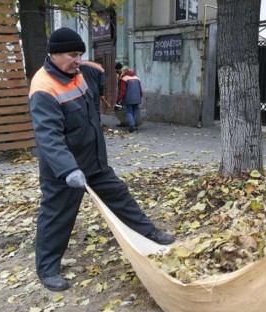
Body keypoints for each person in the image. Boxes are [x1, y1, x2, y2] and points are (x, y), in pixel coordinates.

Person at [28, 27, 175, 292]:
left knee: (120, 195)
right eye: (73, 55)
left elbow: (91, 99)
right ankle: (47, 269)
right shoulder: (43, 87)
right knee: (57, 216)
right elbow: (48, 136)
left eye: (80, 55)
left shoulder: (78, 72)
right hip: (65, 172)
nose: (78, 60)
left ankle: (148, 232)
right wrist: (68, 169)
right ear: (55, 54)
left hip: (94, 161)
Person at [116, 65, 142, 132]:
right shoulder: (137, 78)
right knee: (134, 111)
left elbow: (122, 91)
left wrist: (118, 99)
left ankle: (131, 125)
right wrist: (139, 97)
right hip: (137, 98)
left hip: (129, 98)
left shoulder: (124, 79)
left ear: (123, 71)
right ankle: (133, 125)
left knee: (129, 111)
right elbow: (140, 90)